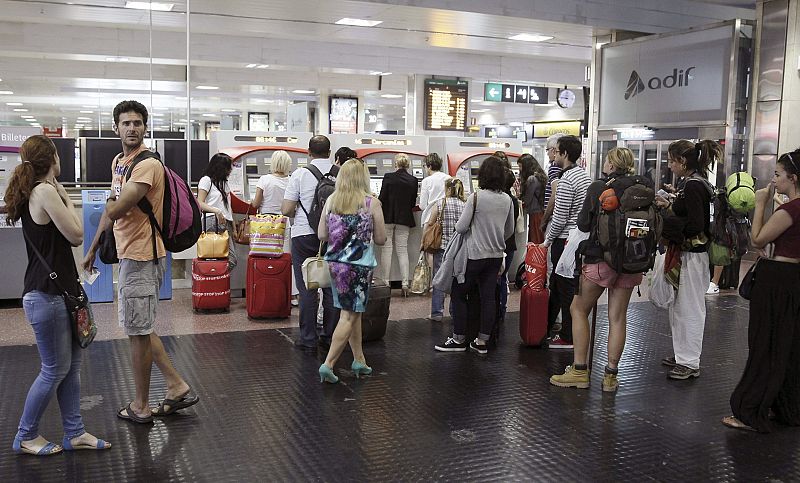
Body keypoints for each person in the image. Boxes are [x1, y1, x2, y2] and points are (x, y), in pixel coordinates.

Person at [82, 100, 198, 424]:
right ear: (116, 127)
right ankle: (176, 385)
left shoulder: (147, 164)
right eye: (126, 123)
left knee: (137, 331)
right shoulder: (119, 161)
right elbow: (111, 212)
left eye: (137, 123)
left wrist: (110, 200)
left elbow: (116, 209)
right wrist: (92, 250)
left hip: (144, 256)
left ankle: (141, 406)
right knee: (140, 329)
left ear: (145, 127)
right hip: (128, 255)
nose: (131, 128)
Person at [6, 135, 110, 455]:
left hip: (59, 294)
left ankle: (74, 432)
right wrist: (65, 197)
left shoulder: (33, 191)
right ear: (52, 157)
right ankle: (26, 435)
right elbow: (77, 235)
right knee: (53, 370)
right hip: (47, 296)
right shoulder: (44, 191)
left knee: (69, 368)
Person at [549, 147, 643, 392]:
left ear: (612, 164)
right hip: (632, 261)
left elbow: (583, 223)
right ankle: (611, 377)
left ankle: (580, 371)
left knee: (578, 308)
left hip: (600, 259)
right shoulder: (642, 188)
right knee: (618, 317)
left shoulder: (599, 187)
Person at [724, 149, 800, 432]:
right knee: (788, 346)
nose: (774, 180)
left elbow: (757, 240)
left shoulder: (789, 210)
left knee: (764, 345)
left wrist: (760, 204)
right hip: (794, 280)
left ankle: (750, 410)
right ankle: (786, 406)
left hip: (776, 281)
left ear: (793, 178)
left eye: (779, 175)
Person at [655, 139, 722, 380]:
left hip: (692, 256)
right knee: (680, 307)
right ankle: (683, 354)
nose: (670, 165)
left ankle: (690, 361)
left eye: (672, 161)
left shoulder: (694, 186)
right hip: (688, 255)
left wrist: (667, 219)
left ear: (682, 161)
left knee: (689, 308)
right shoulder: (698, 182)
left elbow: (696, 224)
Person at [434, 156, 515, 355]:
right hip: (495, 256)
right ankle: (482, 341)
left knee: (459, 293)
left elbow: (461, 227)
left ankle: (459, 338)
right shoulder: (507, 199)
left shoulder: (476, 197)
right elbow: (509, 230)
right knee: (488, 298)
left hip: (473, 255)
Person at [317, 159, 387, 383]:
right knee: (349, 315)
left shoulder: (331, 201)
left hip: (336, 265)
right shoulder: (371, 203)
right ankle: (328, 364)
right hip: (359, 267)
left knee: (353, 312)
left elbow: (321, 235)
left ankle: (360, 360)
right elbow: (381, 238)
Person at [282, 135, 340, 351]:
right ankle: (330, 335)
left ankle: (308, 338)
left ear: (308, 152)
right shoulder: (340, 174)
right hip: (335, 235)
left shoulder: (299, 174)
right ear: (330, 152)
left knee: (307, 287)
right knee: (331, 287)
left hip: (304, 236)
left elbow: (287, 209)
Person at [540, 135, 591, 349]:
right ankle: (553, 328)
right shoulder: (584, 176)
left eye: (557, 151)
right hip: (579, 239)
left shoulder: (567, 180)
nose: (554, 155)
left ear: (565, 154)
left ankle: (568, 336)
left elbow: (560, 217)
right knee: (564, 286)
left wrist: (547, 241)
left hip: (565, 242)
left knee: (564, 288)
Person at [252, 150, 298, 305]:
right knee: (286, 258)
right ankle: (289, 295)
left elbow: (256, 203)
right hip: (284, 222)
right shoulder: (291, 180)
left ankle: (265, 288)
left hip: (265, 223)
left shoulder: (264, 179)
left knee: (264, 256)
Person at [378, 153, 419, 295]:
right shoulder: (413, 180)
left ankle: (385, 283)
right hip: (404, 218)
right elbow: (413, 202)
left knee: (386, 250)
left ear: (395, 164)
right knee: (402, 250)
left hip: (388, 217)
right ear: (408, 165)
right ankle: (405, 285)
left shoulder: (388, 177)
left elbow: (381, 198)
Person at [427, 178, 467, 322]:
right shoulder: (465, 205)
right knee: (456, 280)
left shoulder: (440, 203)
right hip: (459, 248)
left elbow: (431, 222)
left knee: (438, 278)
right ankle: (453, 311)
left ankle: (437, 313)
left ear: (448, 189)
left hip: (442, 247)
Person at [197, 153, 238, 271]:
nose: (230, 170)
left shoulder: (224, 183)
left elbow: (228, 207)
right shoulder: (206, 180)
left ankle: (217, 283)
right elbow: (200, 202)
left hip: (226, 223)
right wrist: (216, 211)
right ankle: (215, 283)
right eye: (228, 167)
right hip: (211, 221)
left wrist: (234, 228)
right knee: (222, 258)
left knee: (228, 259)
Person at [518, 153, 547, 243]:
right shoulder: (540, 176)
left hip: (535, 215)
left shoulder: (532, 179)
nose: (519, 169)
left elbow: (527, 199)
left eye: (520, 166)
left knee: (535, 241)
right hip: (541, 213)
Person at [540, 133, 565, 231]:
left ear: (554, 150)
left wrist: (544, 219)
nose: (547, 153)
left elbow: (555, 193)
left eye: (547, 150)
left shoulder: (554, 167)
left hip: (553, 218)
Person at [419, 153, 451, 225]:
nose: (425, 169)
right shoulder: (448, 178)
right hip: (446, 216)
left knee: (429, 236)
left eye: (424, 166)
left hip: (430, 218)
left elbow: (423, 206)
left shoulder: (426, 181)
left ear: (429, 166)